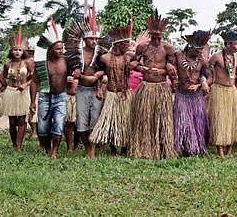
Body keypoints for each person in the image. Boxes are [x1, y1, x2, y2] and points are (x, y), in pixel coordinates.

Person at [129, 11, 178, 160]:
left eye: (159, 37)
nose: (157, 40)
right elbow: (134, 63)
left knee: (162, 119)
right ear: (150, 35)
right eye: (154, 37)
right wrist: (139, 68)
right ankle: (144, 148)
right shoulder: (142, 47)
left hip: (161, 87)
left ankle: (163, 148)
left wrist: (164, 69)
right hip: (146, 86)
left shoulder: (168, 47)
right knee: (144, 119)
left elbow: (173, 70)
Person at [64, 11, 108, 157]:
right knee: (81, 123)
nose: (94, 42)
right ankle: (88, 146)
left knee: (95, 120)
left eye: (96, 39)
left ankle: (93, 149)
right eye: (91, 39)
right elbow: (72, 71)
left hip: (96, 90)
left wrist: (96, 76)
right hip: (82, 89)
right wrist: (83, 77)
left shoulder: (101, 52)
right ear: (85, 39)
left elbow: (104, 70)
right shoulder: (77, 53)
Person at [89, 22, 136, 157]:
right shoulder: (104, 58)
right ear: (118, 45)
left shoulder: (128, 57)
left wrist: (136, 65)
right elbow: (97, 74)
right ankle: (113, 150)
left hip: (126, 94)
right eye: (125, 45)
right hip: (111, 94)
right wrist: (98, 89)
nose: (128, 47)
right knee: (111, 122)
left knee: (126, 122)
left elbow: (139, 62)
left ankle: (124, 150)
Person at [207, 29, 237, 157]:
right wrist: (205, 83)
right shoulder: (215, 56)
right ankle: (220, 149)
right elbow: (206, 72)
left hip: (232, 91)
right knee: (220, 119)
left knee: (232, 118)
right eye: (236, 44)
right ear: (228, 44)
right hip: (219, 90)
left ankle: (230, 149)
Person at [31, 18, 72, 158]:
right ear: (50, 50)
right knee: (43, 127)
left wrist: (73, 76)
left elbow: (74, 72)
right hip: (45, 96)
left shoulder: (66, 60)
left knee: (59, 124)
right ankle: (46, 148)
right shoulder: (42, 63)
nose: (61, 50)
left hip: (61, 96)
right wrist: (32, 102)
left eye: (62, 48)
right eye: (58, 48)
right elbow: (34, 82)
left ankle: (54, 151)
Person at [173, 30, 213, 156]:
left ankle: (197, 146)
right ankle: (184, 148)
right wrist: (172, 75)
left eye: (202, 50)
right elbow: (169, 65)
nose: (201, 53)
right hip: (181, 94)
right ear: (191, 48)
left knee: (197, 122)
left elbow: (211, 77)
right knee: (183, 122)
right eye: (198, 50)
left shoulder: (202, 60)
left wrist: (201, 83)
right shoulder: (178, 55)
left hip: (196, 96)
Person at [3, 26, 34, 151]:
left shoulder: (28, 63)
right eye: (15, 50)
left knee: (21, 120)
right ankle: (14, 143)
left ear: (23, 52)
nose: (17, 52)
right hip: (11, 92)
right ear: (11, 51)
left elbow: (34, 79)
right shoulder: (7, 64)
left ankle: (19, 145)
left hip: (23, 93)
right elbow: (3, 78)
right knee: (12, 122)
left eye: (19, 50)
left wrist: (25, 84)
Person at [25, 38, 40, 139]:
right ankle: (28, 130)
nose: (31, 55)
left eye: (33, 53)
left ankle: (35, 131)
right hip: (25, 90)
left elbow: (35, 78)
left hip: (37, 88)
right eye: (29, 52)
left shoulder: (39, 62)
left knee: (35, 111)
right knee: (26, 111)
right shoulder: (24, 62)